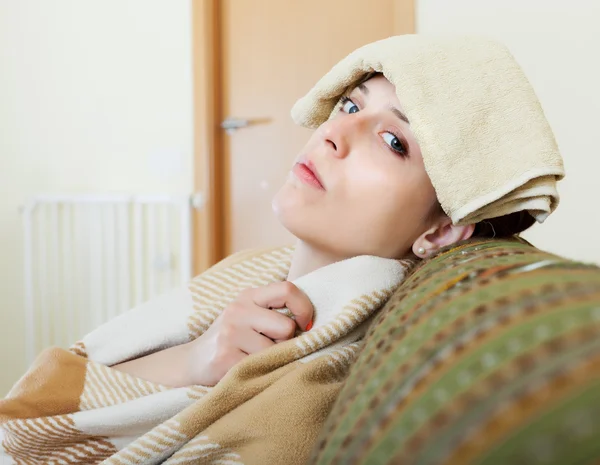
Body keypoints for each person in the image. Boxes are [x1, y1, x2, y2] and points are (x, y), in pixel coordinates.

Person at [0, 35, 564, 465]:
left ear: (441, 230)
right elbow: (34, 409)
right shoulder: (251, 270)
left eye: (392, 141)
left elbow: (28, 425)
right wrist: (198, 359)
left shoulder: (316, 384)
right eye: (349, 106)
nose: (332, 135)